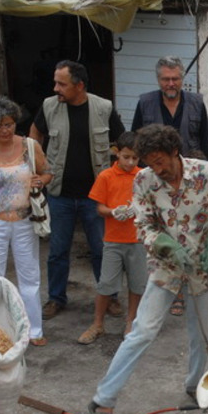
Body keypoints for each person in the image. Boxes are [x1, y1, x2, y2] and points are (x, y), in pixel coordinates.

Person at [87, 125, 208, 414]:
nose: (157, 169)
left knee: (203, 333)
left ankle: (196, 386)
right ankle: (103, 399)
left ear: (174, 152)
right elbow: (144, 226)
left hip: (204, 266)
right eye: (150, 162)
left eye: (161, 161)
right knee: (143, 331)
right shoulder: (144, 181)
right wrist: (166, 245)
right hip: (166, 266)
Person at [30, 60, 125, 320]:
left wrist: (113, 170)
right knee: (58, 251)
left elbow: (121, 140)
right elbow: (35, 133)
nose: (56, 88)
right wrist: (36, 165)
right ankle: (56, 298)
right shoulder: (50, 106)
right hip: (60, 194)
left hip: (94, 197)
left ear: (79, 85)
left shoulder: (103, 107)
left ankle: (110, 297)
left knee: (101, 250)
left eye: (61, 83)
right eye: (56, 82)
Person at [0, 95, 53, 347]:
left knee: (30, 277)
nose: (4, 130)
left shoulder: (29, 146)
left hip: (25, 220)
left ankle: (33, 330)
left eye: (8, 124)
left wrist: (41, 181)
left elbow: (47, 171)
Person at [132, 55, 208, 317]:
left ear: (182, 79)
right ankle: (169, 290)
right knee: (164, 234)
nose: (171, 83)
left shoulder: (196, 102)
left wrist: (205, 182)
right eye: (166, 79)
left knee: (189, 236)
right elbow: (136, 140)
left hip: (189, 182)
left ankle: (188, 289)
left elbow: (205, 141)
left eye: (176, 78)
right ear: (158, 80)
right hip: (159, 183)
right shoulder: (145, 102)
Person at [77, 131, 146, 344]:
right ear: (117, 153)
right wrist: (114, 211)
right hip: (113, 240)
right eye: (126, 157)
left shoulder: (143, 175)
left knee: (137, 284)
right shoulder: (106, 176)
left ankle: (131, 321)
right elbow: (99, 208)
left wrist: (137, 209)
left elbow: (150, 204)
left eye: (135, 157)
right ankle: (97, 323)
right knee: (106, 283)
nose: (130, 162)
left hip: (138, 240)